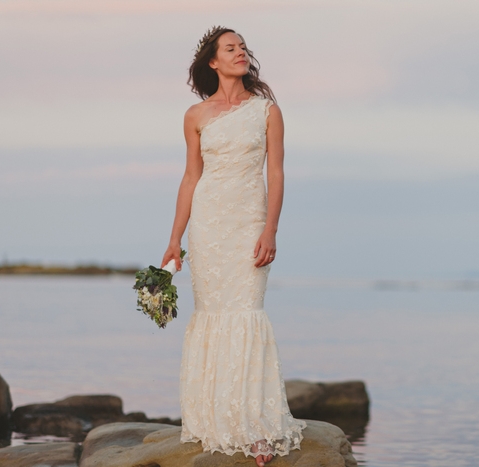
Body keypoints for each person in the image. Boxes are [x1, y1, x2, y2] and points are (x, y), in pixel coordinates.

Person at [161, 26, 306, 467]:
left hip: (248, 224)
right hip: (207, 227)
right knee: (210, 315)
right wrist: (174, 239)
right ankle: (213, 419)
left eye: (243, 47)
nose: (240, 52)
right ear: (213, 61)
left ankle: (255, 427)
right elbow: (191, 178)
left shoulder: (267, 111)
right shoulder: (195, 116)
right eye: (231, 48)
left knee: (246, 312)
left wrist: (271, 229)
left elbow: (276, 174)